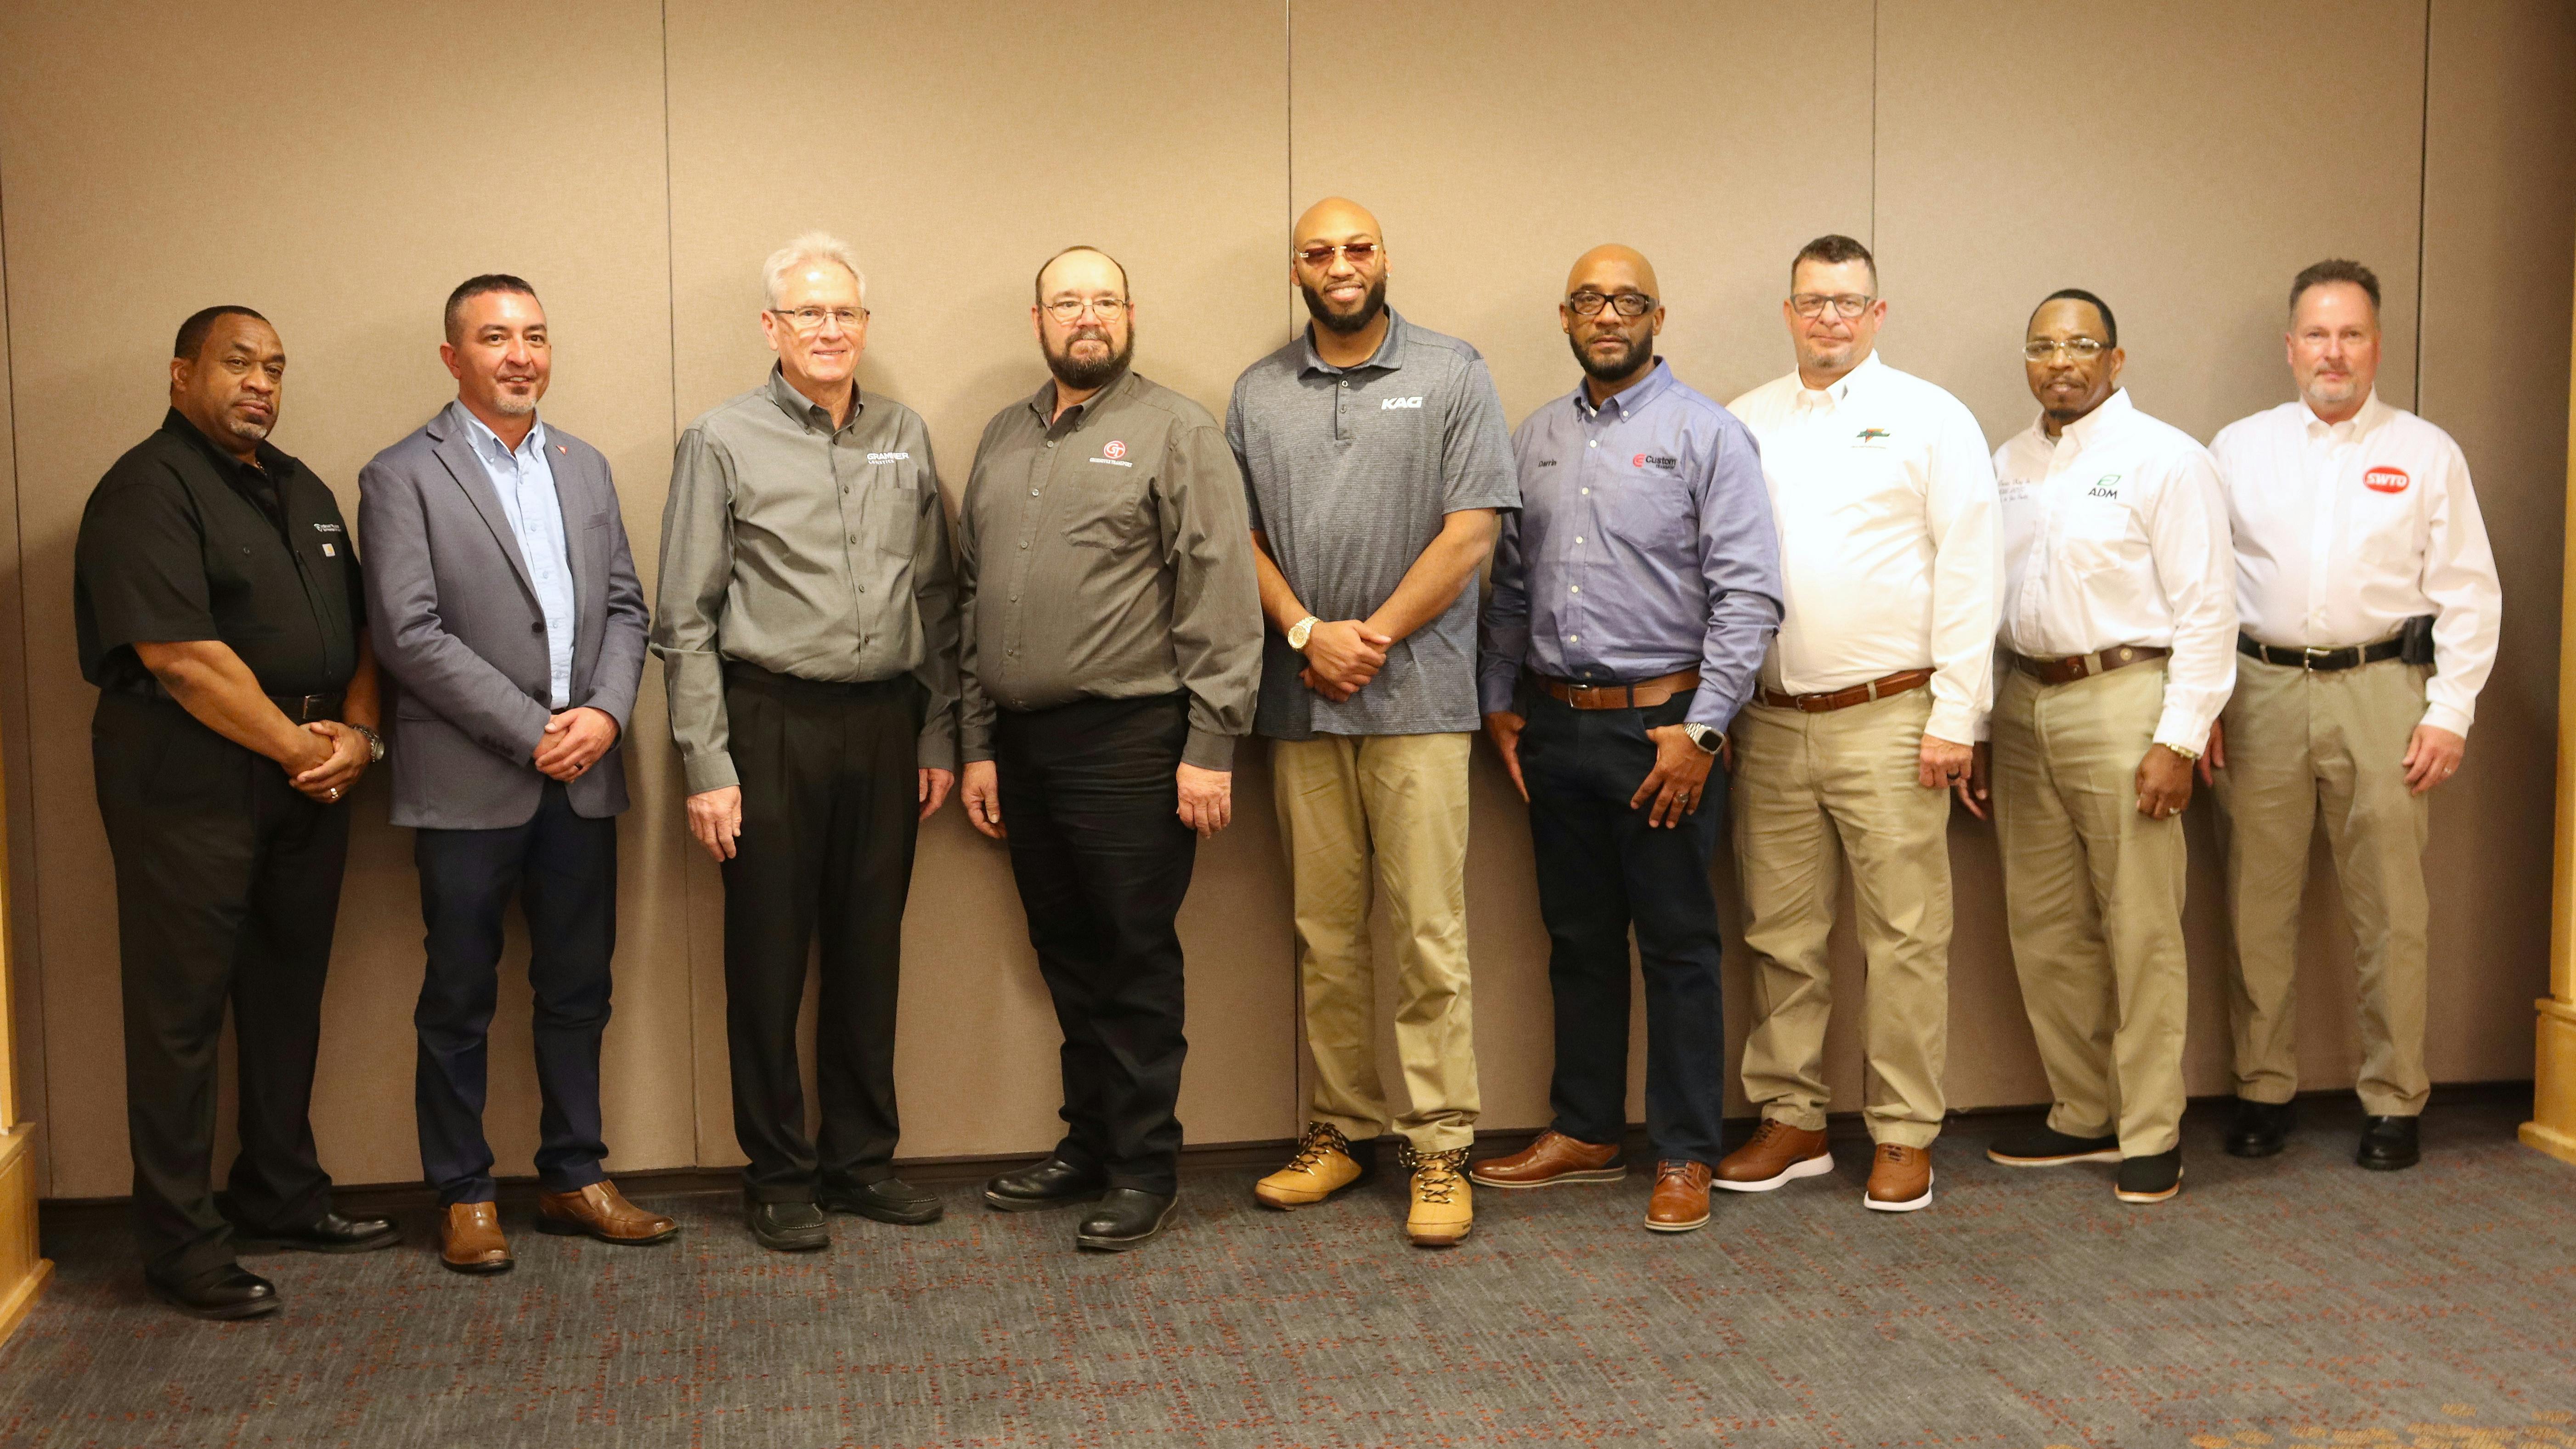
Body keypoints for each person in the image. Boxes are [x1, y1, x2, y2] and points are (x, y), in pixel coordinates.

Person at [74, 306, 393, 1319]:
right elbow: (181, 659)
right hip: (190, 783)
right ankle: (181, 1245)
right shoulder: (146, 489)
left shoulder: (301, 488)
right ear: (182, 375)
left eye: (276, 368)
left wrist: (358, 735)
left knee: (286, 992)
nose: (260, 382)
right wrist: (302, 749)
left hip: (311, 778)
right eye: (238, 362)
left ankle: (280, 1192)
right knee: (180, 1015)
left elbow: (362, 632)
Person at [652, 232, 961, 1252]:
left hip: (884, 724)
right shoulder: (721, 439)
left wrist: (936, 731)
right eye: (809, 314)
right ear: (771, 327)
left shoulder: (905, 434)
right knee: (768, 961)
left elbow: (937, 595)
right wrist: (708, 766)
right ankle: (778, 1175)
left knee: (870, 953)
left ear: (864, 326)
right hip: (768, 723)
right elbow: (685, 619)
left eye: (845, 314)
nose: (829, 331)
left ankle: (860, 1163)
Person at [359, 274, 672, 1275]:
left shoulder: (584, 465)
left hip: (584, 777)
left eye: (535, 336)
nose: (520, 355)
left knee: (579, 988)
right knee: (459, 996)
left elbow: (625, 608)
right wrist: (534, 730)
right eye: (495, 338)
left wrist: (605, 714)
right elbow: (407, 633)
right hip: (468, 782)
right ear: (453, 356)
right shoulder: (402, 474)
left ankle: (574, 1175)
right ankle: (464, 1194)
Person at [1467, 245, 1781, 1234]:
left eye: (1628, 300)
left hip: (1665, 733)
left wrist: (1702, 730)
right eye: (1590, 301)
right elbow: (1509, 586)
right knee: (1577, 940)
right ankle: (1586, 1129)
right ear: (1565, 317)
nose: (1609, 315)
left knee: (1679, 945)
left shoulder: (1707, 434)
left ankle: (1685, 1152)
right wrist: (1498, 700)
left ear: (1657, 317)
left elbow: (1748, 597)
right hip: (1554, 726)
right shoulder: (1535, 437)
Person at [956, 247, 1263, 1251]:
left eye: (1103, 301)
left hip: (1131, 741)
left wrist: (1211, 743)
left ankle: (1142, 1168)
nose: (1085, 317)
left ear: (1129, 314)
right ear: (1037, 320)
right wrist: (978, 740)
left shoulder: (1177, 430)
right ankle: (1087, 1145)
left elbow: (1220, 592)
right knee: (1065, 954)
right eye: (1065, 302)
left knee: (1131, 959)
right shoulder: (1004, 436)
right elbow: (974, 594)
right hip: (1022, 747)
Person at [1229, 197, 1517, 1247]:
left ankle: (1439, 1147)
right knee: (1325, 937)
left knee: (1429, 936)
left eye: (1357, 248)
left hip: (1419, 705)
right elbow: (1238, 539)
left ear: (1383, 258)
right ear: (1296, 270)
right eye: (1319, 252)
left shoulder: (1451, 372)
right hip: (1302, 705)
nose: (1340, 265)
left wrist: (1373, 637)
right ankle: (1341, 1131)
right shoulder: (1257, 392)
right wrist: (1308, 634)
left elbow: (1471, 531)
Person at [1712, 234, 2000, 1213]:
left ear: (1877, 314)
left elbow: (1971, 568)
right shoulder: (1744, 421)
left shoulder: (1930, 418)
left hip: (1893, 716)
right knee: (1778, 933)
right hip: (1770, 721)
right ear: (1788, 313)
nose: (1828, 318)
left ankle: (1904, 1130)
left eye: (1847, 302)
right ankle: (1791, 1118)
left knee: (1905, 937)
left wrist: (1958, 714)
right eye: (1812, 301)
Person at [2205, 259, 2501, 1172]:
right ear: (2289, 347)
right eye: (2317, 334)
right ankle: (2262, 1089)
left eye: (2351, 334)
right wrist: (2201, 702)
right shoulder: (2236, 449)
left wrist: (2449, 712)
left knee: (2391, 910)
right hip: (2257, 692)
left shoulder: (2426, 453)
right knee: (2254, 905)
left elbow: (2469, 592)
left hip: (2383, 695)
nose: (2332, 352)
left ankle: (2394, 1098)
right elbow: (2201, 586)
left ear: (2376, 345)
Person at [1974, 289, 2236, 1205]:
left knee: (2140, 927)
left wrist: (2179, 736)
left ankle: (2151, 1129)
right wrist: (1979, 721)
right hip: (2024, 703)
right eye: (2043, 346)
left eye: (2081, 346)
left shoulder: (2168, 459)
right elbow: (1982, 599)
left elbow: (2208, 611)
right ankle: (2082, 1111)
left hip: (2126, 701)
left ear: (2115, 361)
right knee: (2044, 925)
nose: (2061, 362)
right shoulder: (2005, 464)